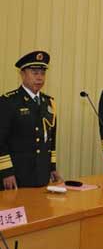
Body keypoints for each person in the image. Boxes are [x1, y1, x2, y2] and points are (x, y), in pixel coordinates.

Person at [0, 51, 60, 189]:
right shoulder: (9, 101)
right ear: (22, 74)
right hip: (17, 173)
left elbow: (51, 139)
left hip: (41, 173)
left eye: (42, 73)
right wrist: (6, 172)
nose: (39, 77)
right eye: (34, 73)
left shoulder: (49, 102)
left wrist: (52, 167)